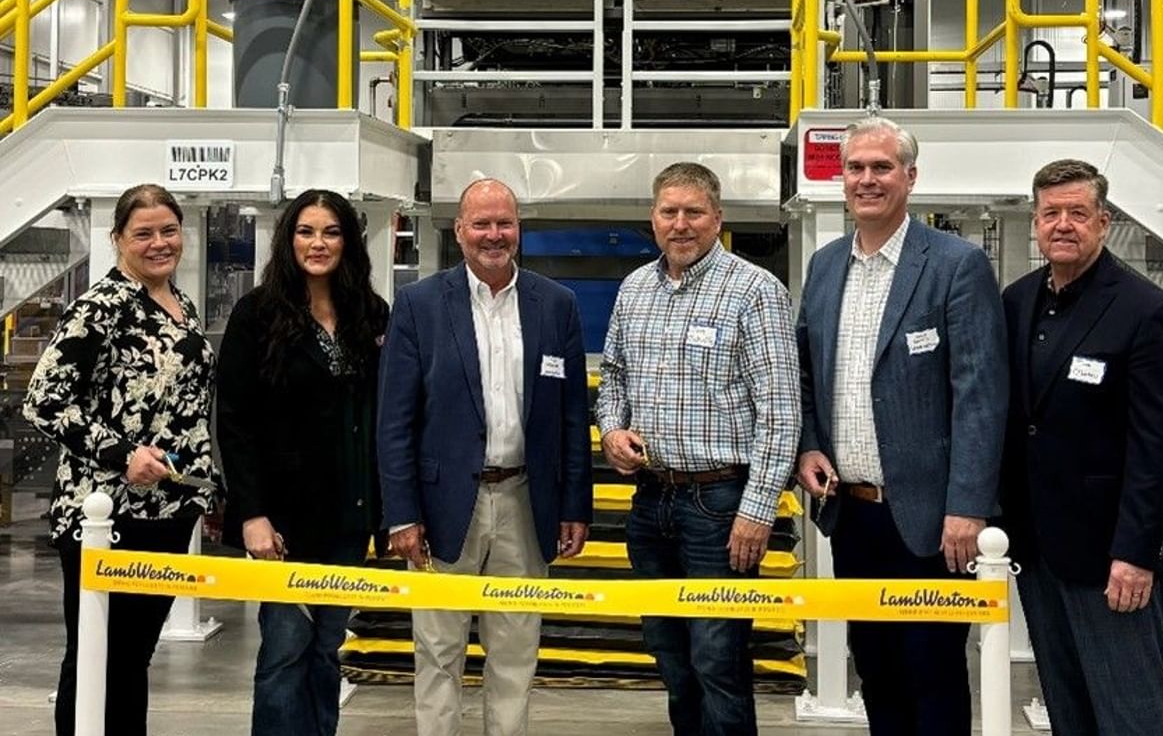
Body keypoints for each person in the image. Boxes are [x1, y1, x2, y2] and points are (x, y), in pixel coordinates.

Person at [793, 116, 1007, 735]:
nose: (867, 179)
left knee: (933, 672)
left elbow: (980, 395)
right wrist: (808, 445)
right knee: (878, 668)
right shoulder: (827, 266)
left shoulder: (954, 265)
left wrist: (968, 507)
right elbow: (807, 375)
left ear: (910, 177)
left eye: (881, 167)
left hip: (933, 519)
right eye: (855, 168)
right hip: (852, 513)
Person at [377, 178, 593, 736]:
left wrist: (575, 505)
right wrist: (402, 514)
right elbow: (394, 422)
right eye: (482, 224)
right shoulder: (419, 305)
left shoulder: (557, 305)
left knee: (516, 653)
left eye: (505, 223)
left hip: (526, 502)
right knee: (439, 650)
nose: (494, 235)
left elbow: (571, 418)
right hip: (442, 506)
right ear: (460, 231)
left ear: (519, 229)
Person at [595, 161, 802, 736]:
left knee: (719, 661)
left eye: (693, 212)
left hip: (722, 505)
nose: (680, 224)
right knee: (671, 657)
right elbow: (613, 377)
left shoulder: (755, 290)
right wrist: (612, 430)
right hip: (651, 501)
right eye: (669, 212)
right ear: (652, 218)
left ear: (718, 218)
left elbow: (781, 413)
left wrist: (757, 512)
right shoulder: (635, 288)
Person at [23, 183, 220, 736]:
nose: (159, 243)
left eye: (168, 231)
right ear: (118, 240)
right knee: (94, 654)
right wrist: (121, 454)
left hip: (169, 511)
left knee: (133, 657)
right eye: (144, 234)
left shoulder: (183, 305)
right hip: (105, 515)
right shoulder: (99, 308)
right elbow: (44, 402)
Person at [999, 159, 1163, 736]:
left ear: (1103, 222)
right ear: (1035, 221)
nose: (1062, 225)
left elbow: (1158, 449)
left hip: (1111, 558)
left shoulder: (1147, 310)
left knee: (1130, 713)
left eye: (1077, 213)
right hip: (1038, 549)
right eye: (1050, 213)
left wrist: (1135, 554)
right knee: (1067, 708)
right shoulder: (1017, 300)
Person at [216, 189, 390, 735]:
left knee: (327, 653)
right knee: (285, 652)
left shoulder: (371, 313)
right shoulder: (257, 314)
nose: (318, 244)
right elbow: (235, 423)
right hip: (283, 521)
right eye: (306, 231)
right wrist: (251, 513)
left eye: (331, 232)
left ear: (349, 242)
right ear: (288, 239)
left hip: (349, 515)